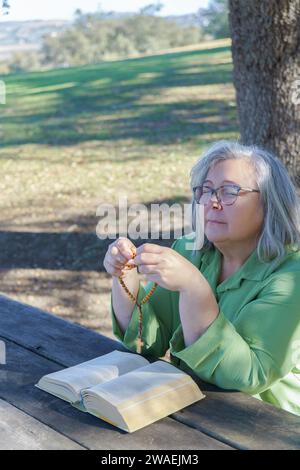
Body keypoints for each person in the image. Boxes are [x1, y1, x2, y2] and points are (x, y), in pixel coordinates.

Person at [103, 140, 300, 416]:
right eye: (206, 191)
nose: (212, 202)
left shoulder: (293, 275)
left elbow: (250, 375)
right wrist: (124, 276)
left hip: (268, 428)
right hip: (193, 415)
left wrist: (195, 289)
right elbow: (147, 342)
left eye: (230, 191)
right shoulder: (190, 251)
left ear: (270, 203)